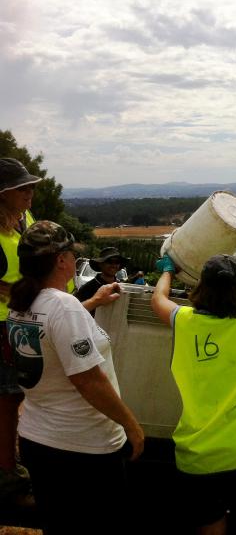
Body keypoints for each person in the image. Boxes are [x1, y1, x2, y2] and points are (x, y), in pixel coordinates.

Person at [150, 211, 236, 535]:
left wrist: (168, 271)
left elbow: (158, 299)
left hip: (201, 455)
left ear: (201, 286)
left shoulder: (184, 321)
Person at [6, 220, 145, 533]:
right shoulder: (64, 307)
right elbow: (89, 381)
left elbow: (52, 331)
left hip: (39, 441)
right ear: (60, 261)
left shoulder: (22, 304)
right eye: (70, 253)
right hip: (82, 450)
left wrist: (93, 303)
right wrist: (131, 426)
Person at [0, 158, 39, 504]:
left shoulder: (23, 222)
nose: (30, 192)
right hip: (1, 324)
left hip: (19, 320)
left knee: (15, 396)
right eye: (22, 188)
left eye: (30, 186)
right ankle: (7, 472)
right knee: (7, 398)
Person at [75, 246, 130, 312]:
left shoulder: (121, 287)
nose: (113, 265)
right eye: (109, 261)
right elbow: (75, 312)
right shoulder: (87, 288)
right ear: (100, 264)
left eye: (117, 262)